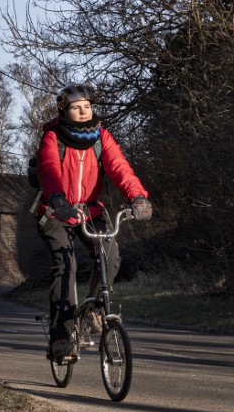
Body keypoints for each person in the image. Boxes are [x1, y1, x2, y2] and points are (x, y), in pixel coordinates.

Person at [34, 83, 152, 363]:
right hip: (56, 211)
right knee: (65, 266)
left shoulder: (102, 137)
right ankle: (61, 337)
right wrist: (57, 198)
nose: (84, 111)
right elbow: (49, 169)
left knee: (110, 256)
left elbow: (120, 168)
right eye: (77, 108)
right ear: (64, 111)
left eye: (87, 106)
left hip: (89, 212)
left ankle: (93, 309)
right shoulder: (52, 137)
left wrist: (137, 197)